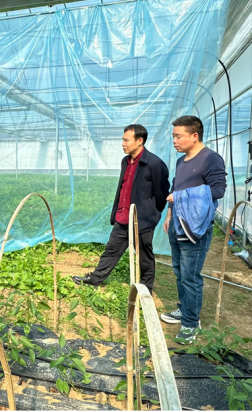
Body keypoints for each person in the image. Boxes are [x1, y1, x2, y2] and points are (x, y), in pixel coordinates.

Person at [72, 124, 170, 294]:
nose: (123, 143)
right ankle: (95, 279)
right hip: (122, 217)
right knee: (111, 250)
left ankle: (146, 288)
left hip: (142, 220)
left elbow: (162, 194)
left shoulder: (154, 164)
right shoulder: (125, 161)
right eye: (122, 140)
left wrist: (151, 214)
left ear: (139, 141)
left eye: (126, 140)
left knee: (144, 256)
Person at [160, 115, 226, 343]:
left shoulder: (211, 159)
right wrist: (169, 214)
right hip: (177, 223)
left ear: (194, 136)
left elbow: (218, 190)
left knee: (190, 276)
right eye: (173, 136)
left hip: (195, 227)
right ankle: (184, 309)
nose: (174, 141)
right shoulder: (182, 161)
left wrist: (180, 196)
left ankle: (191, 322)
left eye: (178, 136)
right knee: (179, 271)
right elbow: (175, 187)